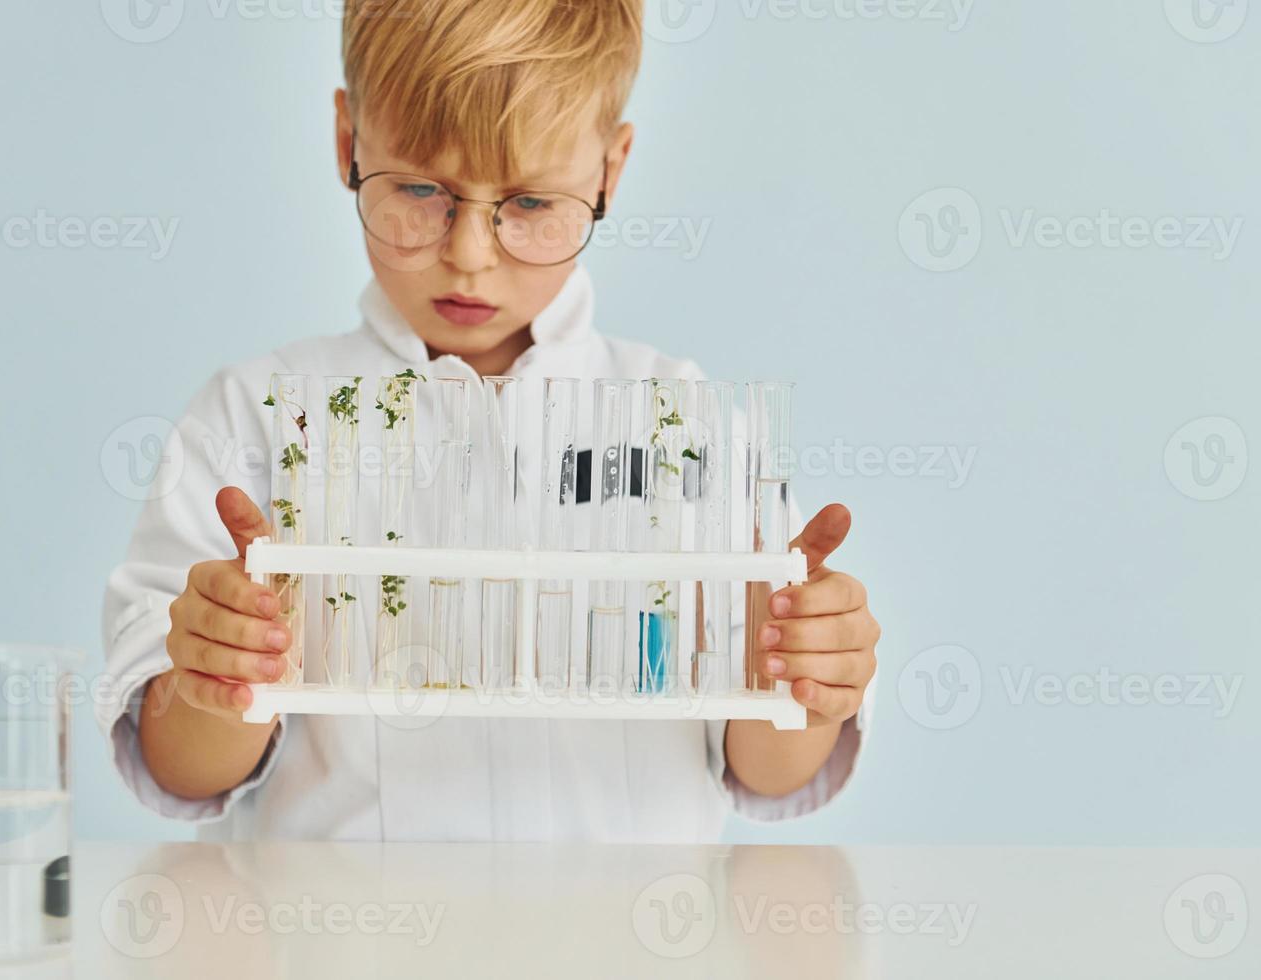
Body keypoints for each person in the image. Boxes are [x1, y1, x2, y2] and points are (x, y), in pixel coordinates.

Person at [99, 0, 880, 841]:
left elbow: (766, 771)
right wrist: (218, 677)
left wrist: (803, 676)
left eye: (533, 204)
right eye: (420, 190)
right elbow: (179, 767)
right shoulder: (254, 415)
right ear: (346, 143)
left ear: (610, 172)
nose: (469, 253)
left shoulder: (680, 420)